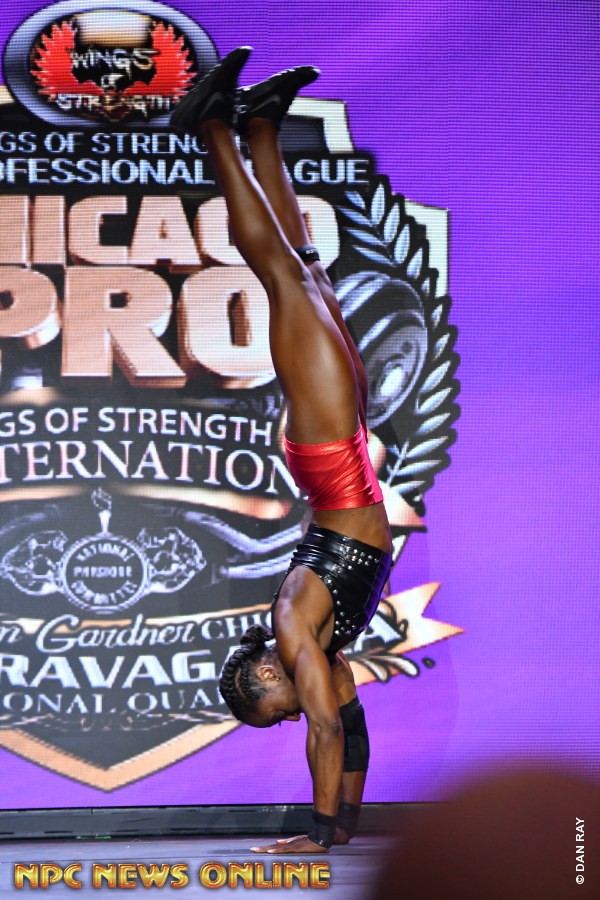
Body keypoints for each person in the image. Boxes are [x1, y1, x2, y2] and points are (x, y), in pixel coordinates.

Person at [171, 47, 392, 854]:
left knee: (281, 279)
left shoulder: (295, 632)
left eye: (273, 711)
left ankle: (211, 131)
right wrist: (345, 825)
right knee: (310, 273)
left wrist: (315, 835)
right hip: (345, 460)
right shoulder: (325, 656)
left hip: (330, 462)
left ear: (265, 675)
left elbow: (324, 731)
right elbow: (351, 733)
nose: (291, 712)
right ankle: (262, 125)